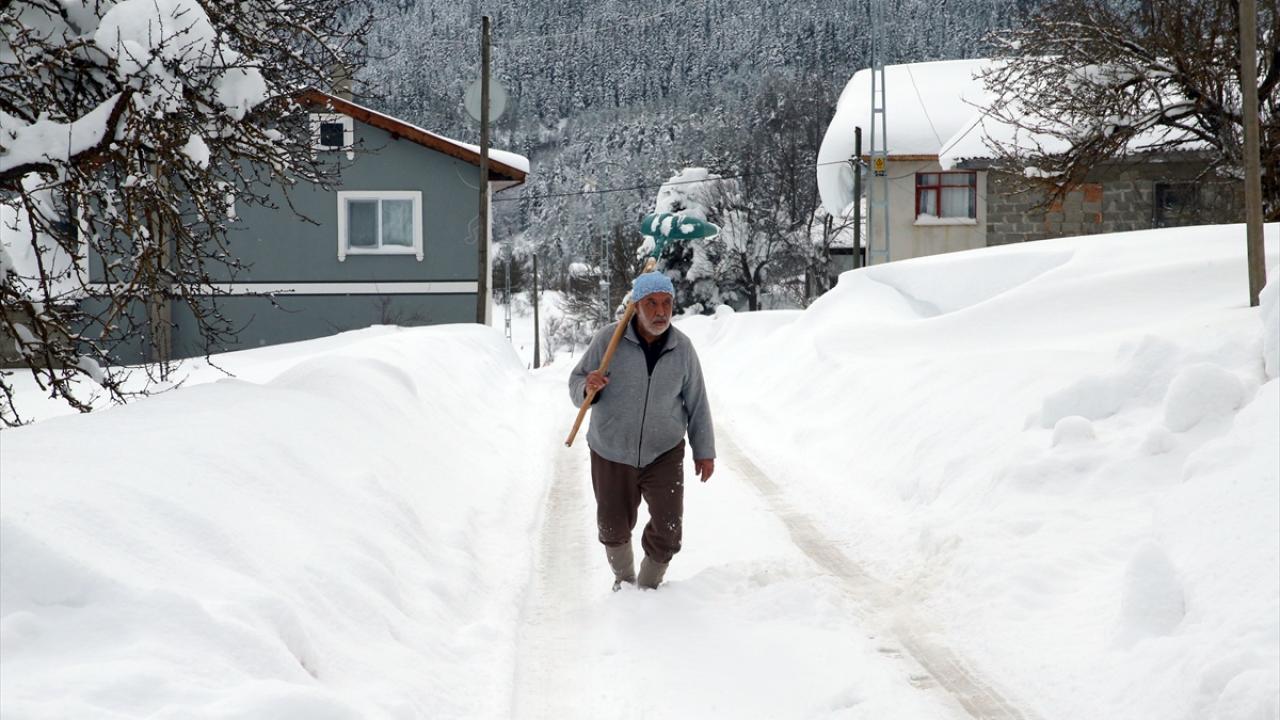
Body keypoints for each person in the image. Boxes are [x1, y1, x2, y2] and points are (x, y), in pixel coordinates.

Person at [568, 271, 716, 591]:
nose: (661, 311)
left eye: (667, 303)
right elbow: (576, 382)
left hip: (663, 450)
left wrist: (704, 451)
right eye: (651, 303)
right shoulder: (608, 341)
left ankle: (648, 590)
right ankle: (624, 581)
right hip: (611, 448)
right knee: (612, 526)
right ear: (635, 307)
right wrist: (587, 386)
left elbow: (697, 402)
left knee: (668, 528)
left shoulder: (682, 349)